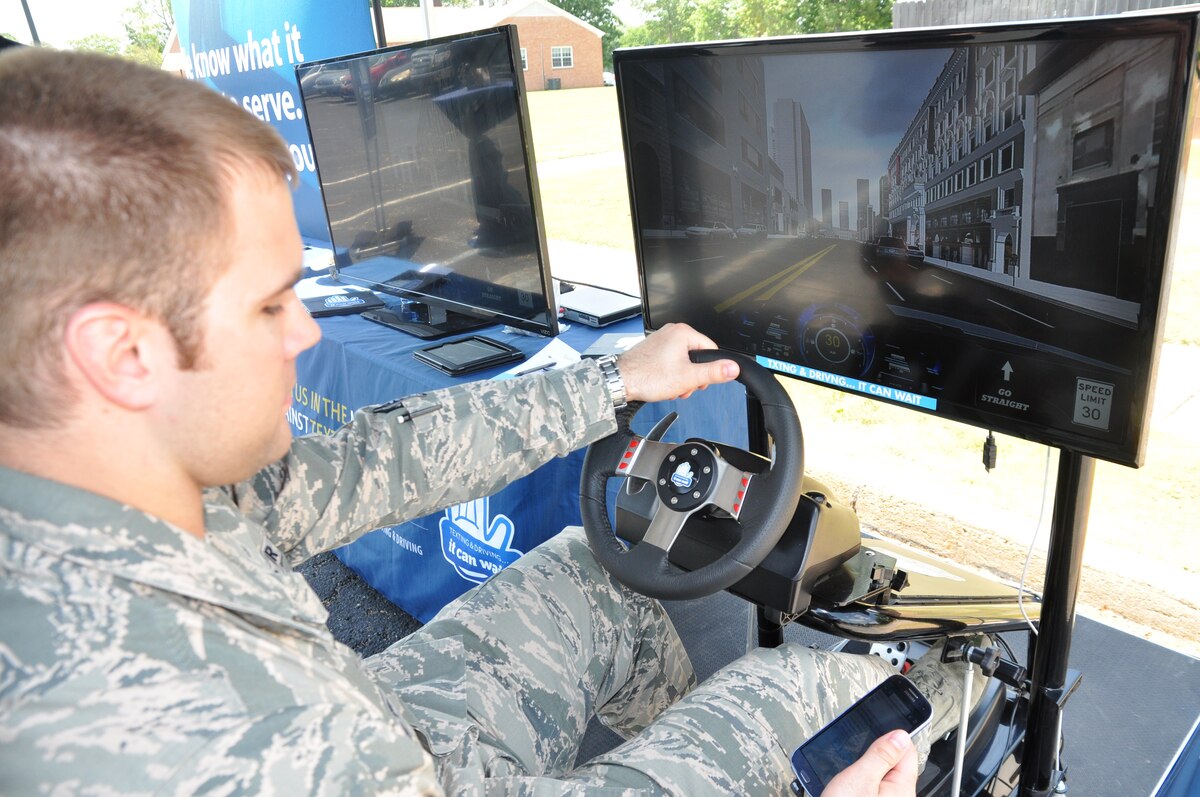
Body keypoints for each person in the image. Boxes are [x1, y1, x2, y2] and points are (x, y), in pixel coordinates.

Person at [0, 47, 973, 795]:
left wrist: (610, 380)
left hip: (383, 729)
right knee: (820, 698)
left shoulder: (96, 486)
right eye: (268, 305)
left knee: (598, 567)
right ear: (121, 352)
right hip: (366, 757)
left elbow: (380, 458)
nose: (304, 329)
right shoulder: (159, 720)